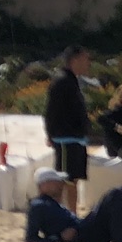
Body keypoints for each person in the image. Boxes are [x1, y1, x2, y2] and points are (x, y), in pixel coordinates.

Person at [24, 168, 122, 242]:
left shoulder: (53, 202)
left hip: (83, 227)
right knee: (114, 194)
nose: (61, 184)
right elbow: (31, 237)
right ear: (45, 185)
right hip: (82, 236)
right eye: (56, 181)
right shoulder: (38, 205)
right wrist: (58, 238)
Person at [44, 46, 94, 208]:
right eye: (86, 59)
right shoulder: (62, 81)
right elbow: (51, 111)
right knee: (65, 180)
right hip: (66, 138)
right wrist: (51, 134)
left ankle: (71, 215)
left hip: (76, 138)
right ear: (75, 60)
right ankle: (63, 215)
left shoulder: (72, 81)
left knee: (73, 180)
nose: (88, 63)